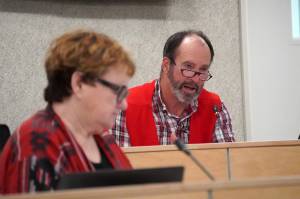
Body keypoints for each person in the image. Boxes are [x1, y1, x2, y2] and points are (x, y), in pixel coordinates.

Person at [0, 30, 135, 194]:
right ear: (78, 83)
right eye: (118, 91)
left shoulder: (104, 139)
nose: (124, 105)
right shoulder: (36, 143)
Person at [111, 30, 235, 147]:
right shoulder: (125, 106)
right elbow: (119, 166)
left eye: (203, 70)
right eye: (188, 67)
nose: (196, 79)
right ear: (166, 65)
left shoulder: (215, 109)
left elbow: (228, 165)